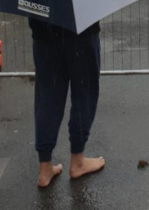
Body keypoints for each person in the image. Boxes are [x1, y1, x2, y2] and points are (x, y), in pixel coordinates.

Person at [29, 17, 105, 186]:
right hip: (82, 28)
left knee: (47, 97)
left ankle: (44, 167)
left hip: (43, 29)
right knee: (84, 94)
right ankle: (77, 160)